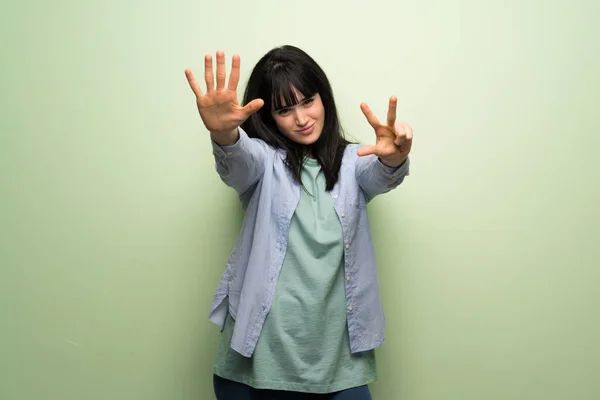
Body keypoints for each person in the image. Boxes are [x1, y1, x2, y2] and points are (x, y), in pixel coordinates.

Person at [184, 45, 413, 400]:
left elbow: (380, 173)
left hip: (338, 356)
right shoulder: (263, 161)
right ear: (268, 116)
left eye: (308, 101)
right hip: (258, 358)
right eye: (285, 109)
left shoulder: (354, 162)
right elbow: (239, 161)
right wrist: (224, 135)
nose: (302, 118)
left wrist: (395, 159)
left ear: (324, 98)